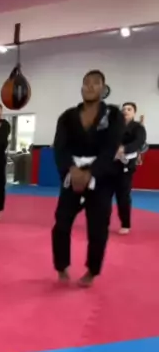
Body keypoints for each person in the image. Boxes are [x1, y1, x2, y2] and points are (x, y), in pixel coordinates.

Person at [52, 70, 124, 287]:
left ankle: (92, 270)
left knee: (98, 227)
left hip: (101, 178)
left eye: (95, 83)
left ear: (103, 88)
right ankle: (61, 266)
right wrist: (71, 170)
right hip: (72, 173)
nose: (90, 86)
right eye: (86, 83)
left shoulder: (113, 115)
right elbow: (60, 148)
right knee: (61, 224)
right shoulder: (67, 117)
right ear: (81, 87)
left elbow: (111, 148)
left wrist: (91, 173)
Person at [113, 102, 147, 235]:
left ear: (134, 113)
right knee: (103, 194)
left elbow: (139, 142)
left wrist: (124, 149)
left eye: (129, 109)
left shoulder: (138, 127)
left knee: (123, 195)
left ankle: (125, 223)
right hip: (110, 164)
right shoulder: (115, 127)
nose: (125, 111)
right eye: (123, 109)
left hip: (126, 165)